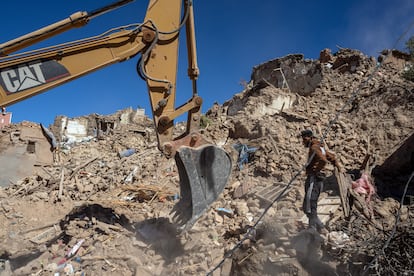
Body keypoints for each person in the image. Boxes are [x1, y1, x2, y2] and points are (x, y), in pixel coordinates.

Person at [300, 129, 341, 234]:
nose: (303, 141)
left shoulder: (314, 147)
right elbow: (331, 157)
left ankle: (313, 227)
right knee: (310, 203)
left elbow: (323, 160)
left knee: (309, 203)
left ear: (309, 137)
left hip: (314, 179)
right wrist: (339, 166)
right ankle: (318, 227)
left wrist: (315, 170)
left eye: (304, 139)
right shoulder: (320, 147)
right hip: (318, 180)